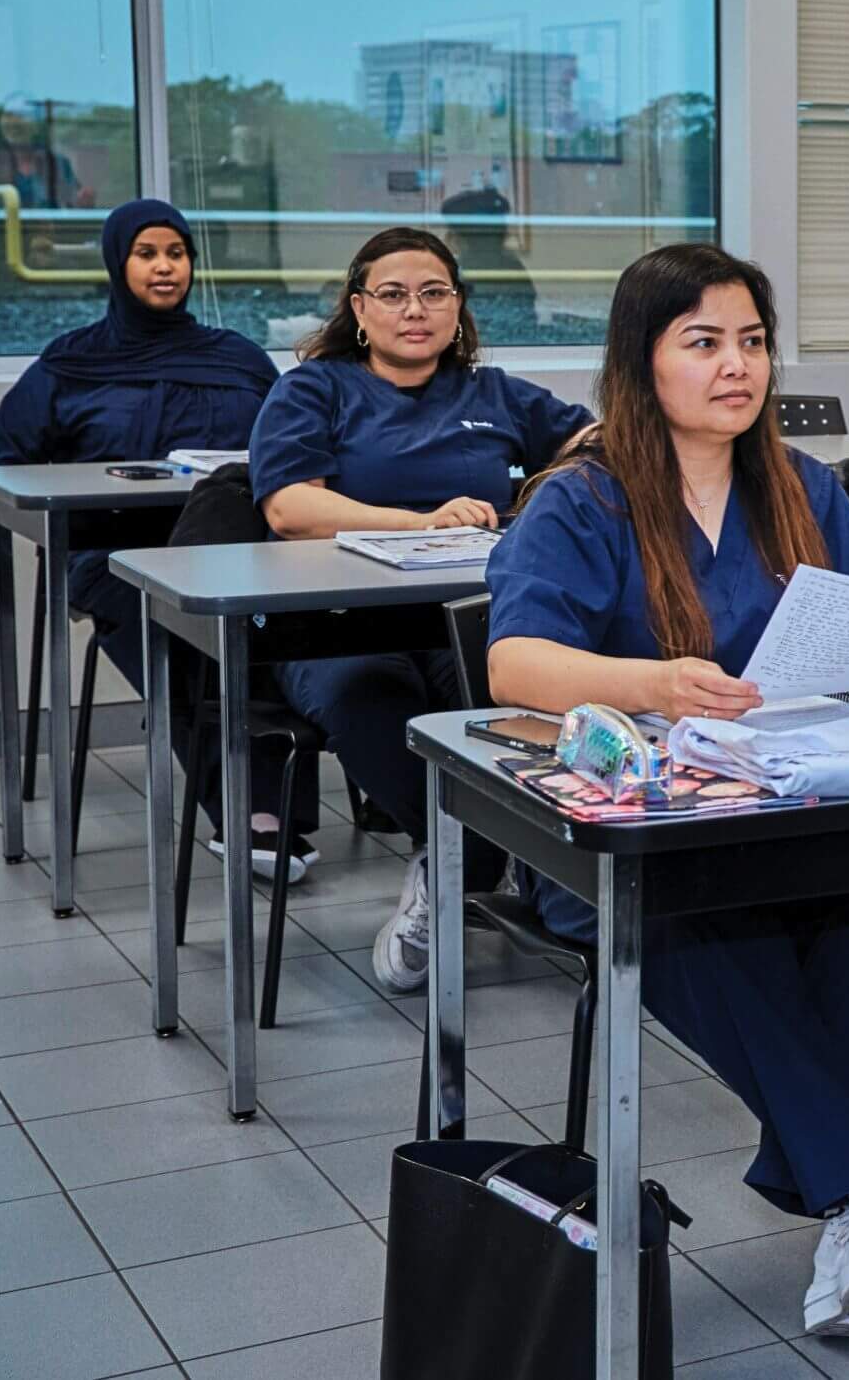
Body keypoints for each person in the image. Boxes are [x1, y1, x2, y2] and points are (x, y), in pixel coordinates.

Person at [484, 242, 849, 1339]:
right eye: (703, 341)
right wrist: (653, 681)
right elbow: (514, 664)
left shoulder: (800, 486)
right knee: (705, 935)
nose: (737, 365)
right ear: (641, 360)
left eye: (752, 341)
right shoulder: (581, 497)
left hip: (790, 815)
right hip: (636, 841)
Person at [246, 226, 592, 992]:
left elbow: (589, 444)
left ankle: (491, 867)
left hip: (466, 611)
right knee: (370, 696)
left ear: (459, 308)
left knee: (517, 696)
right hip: (337, 620)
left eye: (435, 293)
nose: (416, 310)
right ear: (359, 309)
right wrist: (421, 522)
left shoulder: (492, 392)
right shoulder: (314, 388)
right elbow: (289, 507)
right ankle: (465, 857)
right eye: (394, 294)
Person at [0, 199, 298, 864]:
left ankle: (336, 786)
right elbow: (4, 464)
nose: (163, 268)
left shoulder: (236, 359)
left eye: (176, 254)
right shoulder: (69, 365)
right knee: (176, 633)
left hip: (233, 550)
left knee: (278, 624)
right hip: (114, 558)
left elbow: (287, 451)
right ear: (117, 263)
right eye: (146, 254)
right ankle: (255, 807)